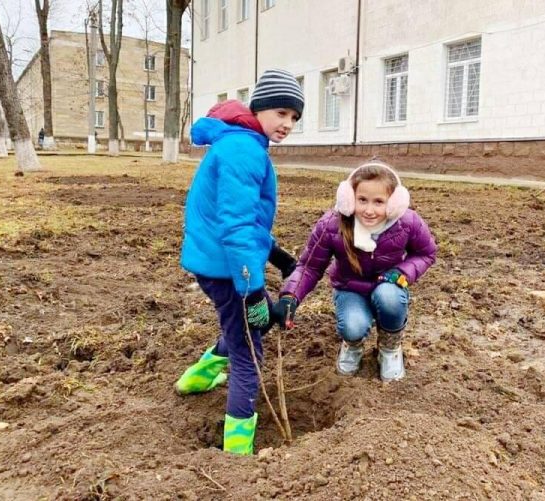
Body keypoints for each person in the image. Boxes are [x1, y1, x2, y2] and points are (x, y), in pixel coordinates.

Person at [174, 69, 304, 456]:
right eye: (281, 113)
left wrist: (275, 253)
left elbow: (245, 219)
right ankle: (236, 449)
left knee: (240, 328)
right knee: (250, 350)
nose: (287, 124)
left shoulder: (241, 142)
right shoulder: (245, 151)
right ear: (260, 107)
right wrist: (252, 292)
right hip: (227, 268)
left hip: (217, 260)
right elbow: (236, 227)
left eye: (295, 118)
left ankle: (197, 378)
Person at [272, 161, 437, 382]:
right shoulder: (332, 224)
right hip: (350, 289)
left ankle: (389, 348)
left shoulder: (407, 222)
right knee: (352, 327)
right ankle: (353, 345)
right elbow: (310, 266)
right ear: (349, 199)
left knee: (389, 297)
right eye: (362, 200)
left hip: (388, 286)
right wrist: (290, 296)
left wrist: (403, 273)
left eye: (379, 202)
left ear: (394, 203)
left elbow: (426, 253)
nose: (369, 210)